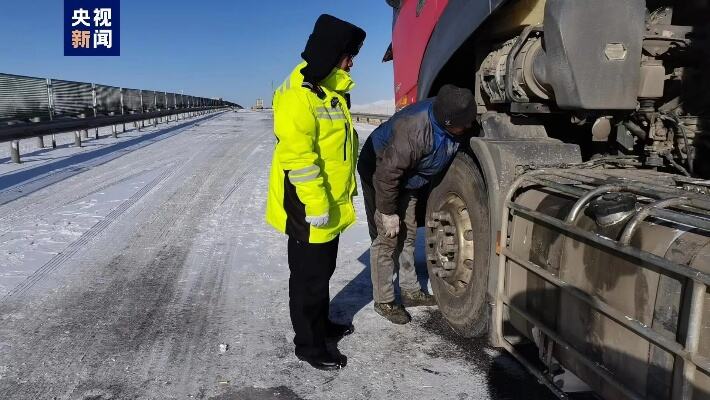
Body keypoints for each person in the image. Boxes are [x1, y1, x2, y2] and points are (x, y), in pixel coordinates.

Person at [265, 14, 365, 371]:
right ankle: (308, 345)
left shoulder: (331, 92)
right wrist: (316, 204)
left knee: (321, 273)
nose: (351, 62)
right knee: (308, 280)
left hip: (328, 206)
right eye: (347, 54)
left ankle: (321, 326)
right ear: (329, 53)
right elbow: (299, 158)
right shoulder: (299, 96)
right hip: (308, 207)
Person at [357, 84, 475, 325]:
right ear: (448, 122)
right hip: (381, 169)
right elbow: (387, 175)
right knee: (387, 237)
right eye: (463, 125)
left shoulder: (452, 117)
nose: (467, 129)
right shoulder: (413, 131)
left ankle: (410, 290)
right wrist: (388, 212)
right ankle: (385, 300)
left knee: (409, 233)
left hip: (410, 176)